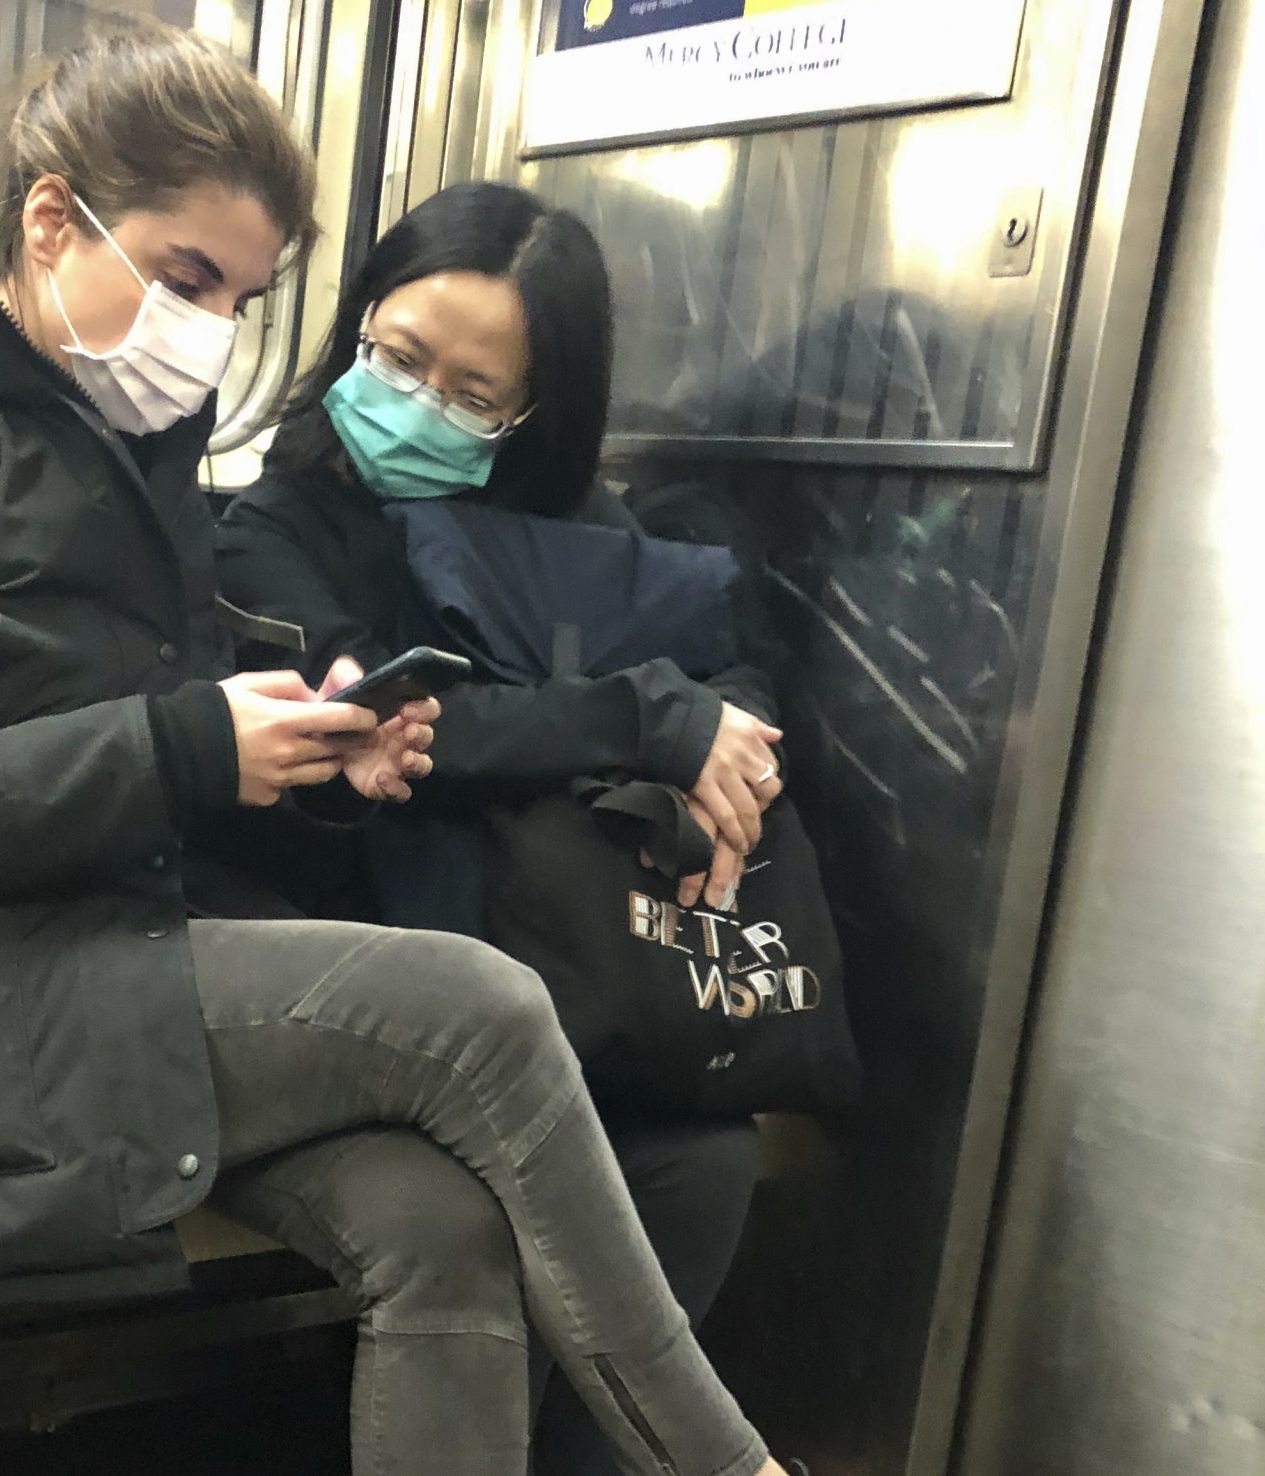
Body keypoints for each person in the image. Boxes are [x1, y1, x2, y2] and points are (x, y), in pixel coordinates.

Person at [0, 25, 789, 1476]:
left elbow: (157, 760)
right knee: (481, 1008)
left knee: (440, 1225)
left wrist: (320, 765)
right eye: (183, 278)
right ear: (51, 218)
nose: (205, 332)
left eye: (242, 301)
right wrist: (191, 749)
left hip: (111, 951)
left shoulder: (129, 452)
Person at [216, 181, 788, 1472]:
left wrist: (724, 745)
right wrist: (642, 721)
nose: (419, 405)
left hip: (565, 955)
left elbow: (712, 664)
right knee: (493, 1188)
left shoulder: (571, 532)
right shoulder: (274, 529)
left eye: (473, 394)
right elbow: (404, 729)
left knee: (701, 1158)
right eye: (399, 358)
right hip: (360, 949)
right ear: (357, 324)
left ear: (537, 412)